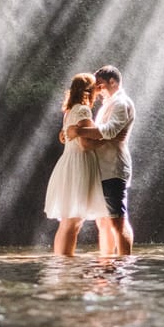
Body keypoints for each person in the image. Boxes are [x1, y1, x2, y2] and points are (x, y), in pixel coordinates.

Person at [72, 65, 135, 256]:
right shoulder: (108, 103)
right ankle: (106, 261)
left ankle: (124, 263)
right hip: (101, 168)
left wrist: (78, 131)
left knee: (117, 220)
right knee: (102, 221)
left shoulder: (121, 103)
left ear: (113, 82)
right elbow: (102, 134)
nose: (97, 90)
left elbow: (109, 131)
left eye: (100, 85)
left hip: (114, 168)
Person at [43, 73, 109, 255]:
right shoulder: (83, 110)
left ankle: (61, 262)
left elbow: (68, 137)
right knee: (74, 220)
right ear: (88, 91)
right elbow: (86, 143)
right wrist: (107, 140)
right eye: (95, 88)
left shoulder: (69, 111)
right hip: (79, 164)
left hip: (68, 163)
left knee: (68, 220)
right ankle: (66, 262)